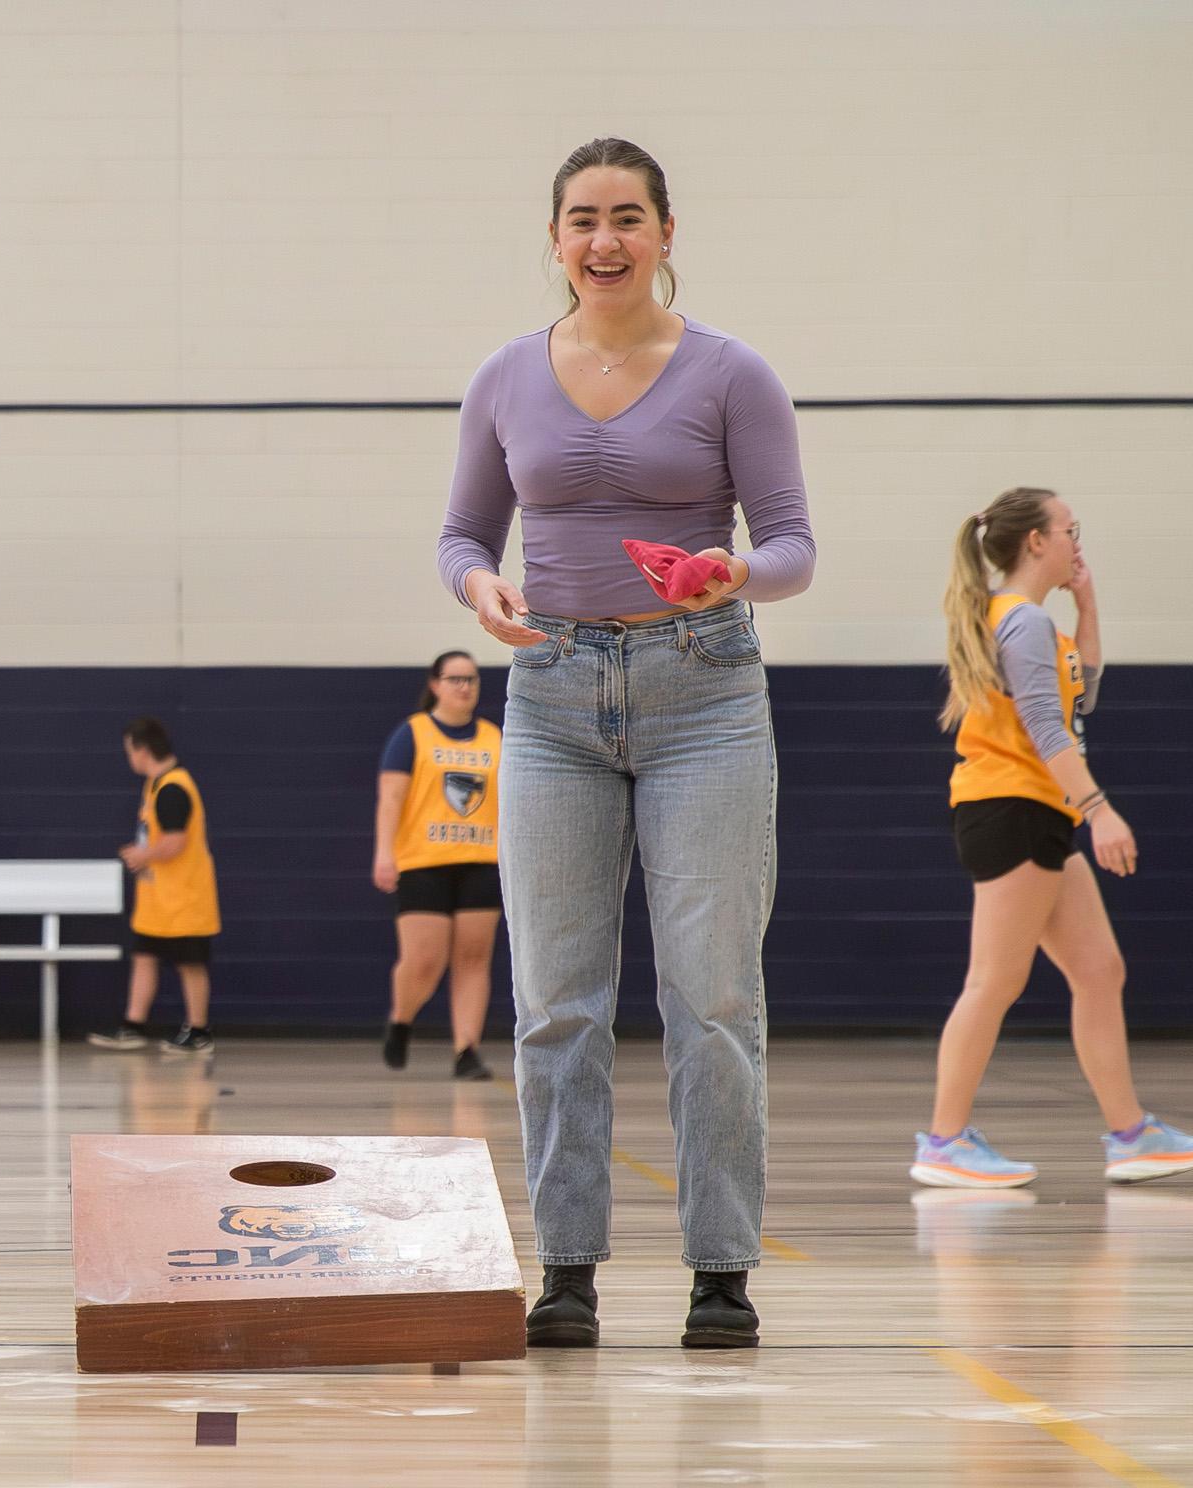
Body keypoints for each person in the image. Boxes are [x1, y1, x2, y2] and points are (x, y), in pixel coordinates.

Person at [438, 137, 816, 1351]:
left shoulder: (730, 373)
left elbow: (795, 545)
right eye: (583, 219)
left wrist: (733, 573)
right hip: (548, 697)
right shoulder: (503, 377)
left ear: (665, 233)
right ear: (554, 239)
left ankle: (720, 1269)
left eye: (629, 218)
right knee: (555, 1000)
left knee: (711, 996)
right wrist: (477, 591)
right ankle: (568, 1269)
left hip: (703, 692)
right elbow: (460, 536)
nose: (606, 240)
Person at [915, 486, 1193, 1189]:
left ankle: (1131, 1135)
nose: (1076, 543)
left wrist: (1087, 611)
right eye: (1069, 530)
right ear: (1035, 543)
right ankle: (944, 1140)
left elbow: (1079, 700)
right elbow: (1047, 730)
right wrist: (1100, 809)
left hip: (1035, 809)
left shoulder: (1035, 626)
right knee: (994, 980)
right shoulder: (1019, 623)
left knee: (1098, 970)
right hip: (1012, 808)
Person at [374, 650, 502, 1081]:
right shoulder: (412, 734)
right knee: (424, 961)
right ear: (435, 685)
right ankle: (402, 1019)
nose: (464, 686)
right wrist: (384, 853)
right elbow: (390, 799)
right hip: (423, 862)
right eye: (454, 679)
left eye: (471, 679)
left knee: (473, 959)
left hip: (481, 859)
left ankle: (467, 1050)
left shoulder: (493, 737)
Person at [90, 716, 219, 1056]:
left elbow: (175, 842)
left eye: (129, 751)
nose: (128, 757)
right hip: (159, 899)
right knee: (144, 957)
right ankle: (133, 1025)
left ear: (143, 750)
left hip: (185, 897)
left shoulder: (174, 788)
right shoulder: (155, 784)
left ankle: (199, 1030)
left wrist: (142, 854)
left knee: (190, 965)